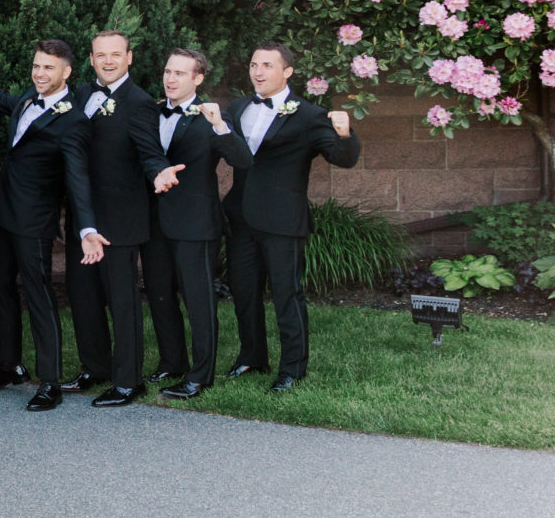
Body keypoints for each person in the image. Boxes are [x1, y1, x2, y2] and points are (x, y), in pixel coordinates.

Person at [0, 39, 102, 412]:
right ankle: (9, 365)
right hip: (3, 214)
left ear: (67, 72)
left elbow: (78, 179)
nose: (40, 73)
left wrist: (86, 228)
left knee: (39, 296)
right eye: (37, 66)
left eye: (49, 68)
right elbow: (1, 101)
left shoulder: (73, 120)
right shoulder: (28, 96)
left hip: (34, 222)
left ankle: (50, 381)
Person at [224, 43, 362, 392]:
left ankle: (292, 369)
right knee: (244, 292)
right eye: (254, 64)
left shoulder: (308, 114)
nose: (257, 71)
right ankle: (251, 357)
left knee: (287, 294)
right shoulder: (238, 107)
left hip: (283, 220)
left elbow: (342, 159)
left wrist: (345, 133)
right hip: (240, 216)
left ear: (287, 72)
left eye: (267, 65)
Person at [64, 31, 172, 406]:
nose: (107, 61)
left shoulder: (140, 102)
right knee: (83, 296)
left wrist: (159, 171)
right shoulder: (80, 94)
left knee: (122, 301)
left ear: (129, 57)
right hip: (83, 216)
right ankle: (96, 368)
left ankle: (129, 381)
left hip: (120, 219)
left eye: (115, 55)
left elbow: (149, 151)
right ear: (91, 59)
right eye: (100, 55)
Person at [147, 48, 252, 399]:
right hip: (153, 223)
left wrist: (220, 125)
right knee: (161, 297)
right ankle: (171, 362)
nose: (171, 78)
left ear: (198, 78)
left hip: (195, 224)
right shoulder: (151, 112)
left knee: (198, 301)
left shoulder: (209, 118)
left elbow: (242, 159)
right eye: (167, 71)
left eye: (179, 73)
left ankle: (200, 375)